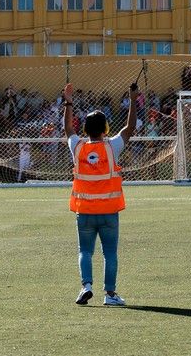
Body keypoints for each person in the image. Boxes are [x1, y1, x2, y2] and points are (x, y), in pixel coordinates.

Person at [64, 81, 136, 307]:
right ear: (105, 128)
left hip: (84, 211)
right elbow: (129, 129)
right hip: (108, 212)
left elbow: (68, 129)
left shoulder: (77, 147)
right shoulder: (111, 147)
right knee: (110, 254)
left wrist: (68, 102)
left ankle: (86, 286)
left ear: (85, 129)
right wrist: (133, 100)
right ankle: (110, 294)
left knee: (85, 251)